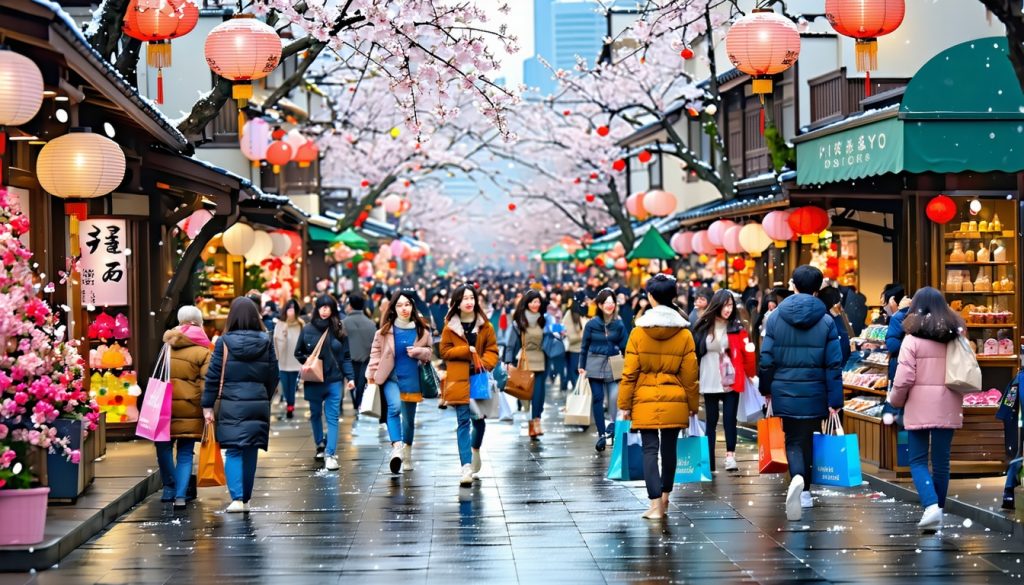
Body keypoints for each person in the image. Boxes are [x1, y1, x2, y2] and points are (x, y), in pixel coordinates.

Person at [758, 265, 843, 522]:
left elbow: (766, 358)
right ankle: (805, 490)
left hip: (784, 388)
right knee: (807, 436)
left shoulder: (774, 318)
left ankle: (797, 479)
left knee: (793, 439)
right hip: (815, 388)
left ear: (793, 285)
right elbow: (833, 364)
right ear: (817, 289)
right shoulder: (827, 321)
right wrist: (835, 399)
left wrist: (766, 388)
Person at [618, 274, 699, 520]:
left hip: (644, 398)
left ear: (651, 297)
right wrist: (693, 405)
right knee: (670, 449)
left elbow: (629, 373)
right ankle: (665, 498)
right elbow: (690, 376)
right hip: (675, 397)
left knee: (649, 450)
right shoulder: (684, 334)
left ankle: (655, 505)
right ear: (673, 297)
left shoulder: (638, 333)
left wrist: (624, 404)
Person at [888, 287, 964, 532]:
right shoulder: (956, 336)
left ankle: (931, 506)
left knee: (918, 460)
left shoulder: (911, 339)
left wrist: (895, 400)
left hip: (919, 406)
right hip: (948, 403)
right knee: (942, 462)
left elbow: (903, 378)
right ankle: (938, 509)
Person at [202, 297, 278, 513]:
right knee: (251, 449)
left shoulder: (223, 343)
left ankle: (237, 499)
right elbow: (274, 374)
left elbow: (213, 377)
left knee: (234, 450)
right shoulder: (265, 341)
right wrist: (265, 395)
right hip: (258, 401)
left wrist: (207, 406)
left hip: (231, 402)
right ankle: (246, 498)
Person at [367, 289, 434, 473]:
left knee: (409, 421)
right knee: (394, 408)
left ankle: (408, 452)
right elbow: (375, 354)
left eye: (407, 304)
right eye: (399, 305)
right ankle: (397, 447)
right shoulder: (384, 332)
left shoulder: (422, 330)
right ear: (393, 308)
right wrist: (371, 375)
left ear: (412, 306)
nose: (403, 308)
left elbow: (429, 352)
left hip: (412, 379)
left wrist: (419, 352)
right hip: (391, 377)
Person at [440, 285, 500, 486]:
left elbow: (492, 350)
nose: (469, 302)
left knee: (479, 421)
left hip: (479, 379)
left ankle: (475, 450)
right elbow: (445, 351)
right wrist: (466, 351)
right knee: (463, 422)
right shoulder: (450, 326)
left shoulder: (485, 325)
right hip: (459, 379)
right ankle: (465, 467)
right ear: (457, 302)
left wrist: (485, 363)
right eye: (464, 298)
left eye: (471, 298)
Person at [692, 290, 756, 472]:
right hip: (709, 379)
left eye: (730, 305)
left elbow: (747, 355)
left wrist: (751, 375)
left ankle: (730, 457)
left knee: (729, 420)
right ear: (716, 305)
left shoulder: (737, 328)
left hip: (731, 380)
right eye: (725, 305)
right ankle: (709, 460)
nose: (728, 309)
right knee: (711, 421)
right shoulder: (703, 327)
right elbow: (695, 354)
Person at [158, 306, 211, 510]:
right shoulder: (204, 350)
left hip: (166, 406)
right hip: (190, 407)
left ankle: (169, 488)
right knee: (186, 452)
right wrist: (202, 403)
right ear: (199, 321)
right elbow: (207, 382)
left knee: (163, 447)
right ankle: (180, 496)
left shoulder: (167, 345)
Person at [294, 295, 356, 471]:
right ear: (317, 308)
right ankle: (319, 443)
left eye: (328, 307)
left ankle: (330, 454)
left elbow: (345, 356)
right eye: (322, 307)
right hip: (314, 380)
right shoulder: (307, 329)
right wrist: (310, 361)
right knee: (314, 414)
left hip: (335, 380)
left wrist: (350, 378)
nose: (325, 310)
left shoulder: (338, 328)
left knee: (333, 417)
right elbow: (297, 352)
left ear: (333, 309)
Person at [578, 288, 628, 451]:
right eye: (606, 303)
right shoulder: (592, 324)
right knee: (598, 398)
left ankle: (613, 426)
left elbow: (625, 345)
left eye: (612, 303)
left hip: (614, 363)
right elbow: (584, 346)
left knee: (614, 398)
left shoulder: (618, 324)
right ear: (599, 305)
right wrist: (581, 365)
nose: (609, 306)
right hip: (594, 363)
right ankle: (601, 435)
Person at [504, 290, 548, 439]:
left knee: (539, 395)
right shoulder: (519, 321)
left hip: (542, 360)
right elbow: (510, 344)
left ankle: (537, 421)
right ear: (527, 303)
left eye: (538, 302)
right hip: (525, 360)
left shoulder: (544, 319)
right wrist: (508, 361)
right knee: (527, 395)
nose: (535, 305)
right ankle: (532, 423)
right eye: (532, 302)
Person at [344, 294, 377, 411]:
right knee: (362, 384)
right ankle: (359, 404)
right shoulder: (371, 324)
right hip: (366, 359)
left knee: (352, 383)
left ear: (351, 305)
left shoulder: (344, 323)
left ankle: (355, 403)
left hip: (349, 360)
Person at [272, 299, 303, 420]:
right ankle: (289, 404)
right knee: (285, 386)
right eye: (289, 308)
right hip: (283, 361)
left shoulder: (300, 324)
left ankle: (291, 406)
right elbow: (276, 343)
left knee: (293, 386)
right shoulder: (280, 324)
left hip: (295, 361)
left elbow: (303, 341)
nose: (291, 311)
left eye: (293, 309)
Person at [561, 291, 588, 392]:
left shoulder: (579, 313)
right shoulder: (572, 314)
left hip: (579, 350)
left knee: (576, 376)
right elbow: (571, 336)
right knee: (577, 377)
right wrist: (583, 335)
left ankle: (577, 396)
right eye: (584, 301)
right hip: (576, 350)